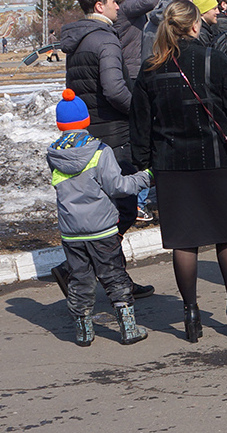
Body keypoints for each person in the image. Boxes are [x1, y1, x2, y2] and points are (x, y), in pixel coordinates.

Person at [133, 0, 227, 341]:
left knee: (184, 243)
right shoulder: (212, 59)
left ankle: (190, 315)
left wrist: (144, 163)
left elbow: (140, 124)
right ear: (195, 26)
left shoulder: (149, 68)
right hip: (217, 158)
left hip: (171, 164)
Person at [55, 0, 154, 302]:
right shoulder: (105, 39)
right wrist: (140, 113)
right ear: (99, 6)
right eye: (114, 2)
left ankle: (111, 276)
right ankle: (86, 271)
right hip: (112, 131)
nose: (118, 6)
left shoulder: (79, 38)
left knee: (105, 206)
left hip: (88, 129)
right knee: (124, 206)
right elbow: (114, 89)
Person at [48, 89, 152, 346]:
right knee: (114, 276)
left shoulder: (54, 154)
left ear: (60, 123)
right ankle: (128, 329)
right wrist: (146, 177)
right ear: (85, 120)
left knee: (80, 279)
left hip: (71, 232)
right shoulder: (99, 151)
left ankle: (84, 332)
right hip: (101, 229)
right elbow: (118, 187)